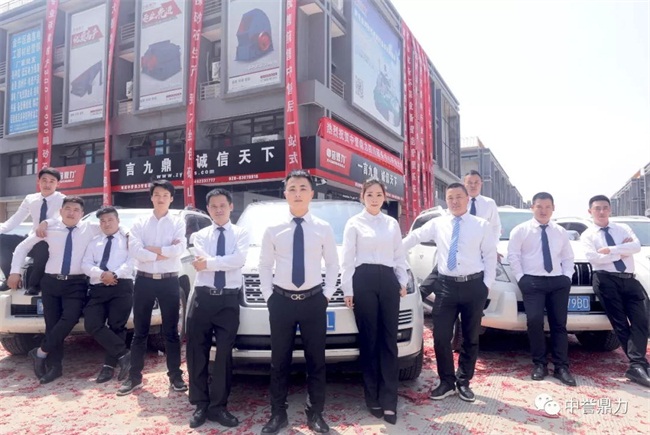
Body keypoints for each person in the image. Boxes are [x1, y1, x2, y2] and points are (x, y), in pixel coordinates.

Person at [259, 170, 339, 435]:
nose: (297, 193)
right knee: (279, 360)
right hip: (281, 301)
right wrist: (268, 296)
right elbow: (264, 265)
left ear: (311, 193)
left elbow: (333, 264)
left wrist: (327, 295)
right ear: (285, 194)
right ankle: (278, 414)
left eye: (303, 188)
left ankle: (315, 413)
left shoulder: (323, 228)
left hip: (313, 301)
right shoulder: (273, 229)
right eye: (292, 188)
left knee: (316, 360)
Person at [403, 183, 497, 402]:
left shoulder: (481, 225)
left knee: (470, 337)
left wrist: (486, 286)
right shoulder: (439, 223)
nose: (454, 201)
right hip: (446, 287)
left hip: (474, 286)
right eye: (450, 198)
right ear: (446, 200)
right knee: (441, 336)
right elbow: (414, 237)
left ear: (467, 199)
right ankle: (446, 381)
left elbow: (490, 257)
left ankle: (463, 381)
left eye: (458, 197)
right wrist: (392, 250)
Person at [7, 197, 97, 384]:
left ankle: (40, 352)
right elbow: (22, 247)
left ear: (82, 214)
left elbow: (118, 229)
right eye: (68, 209)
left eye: (76, 210)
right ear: (61, 211)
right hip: (50, 283)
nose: (71, 213)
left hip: (76, 283)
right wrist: (15, 272)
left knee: (70, 318)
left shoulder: (90, 228)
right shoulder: (49, 229)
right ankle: (55, 367)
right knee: (52, 324)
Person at [340, 178, 408, 424]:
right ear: (362, 197)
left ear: (384, 197)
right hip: (364, 280)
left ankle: (389, 400)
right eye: (370, 194)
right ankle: (372, 397)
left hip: (388, 280)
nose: (374, 199)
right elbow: (347, 259)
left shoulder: (391, 223)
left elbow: (399, 255)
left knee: (389, 340)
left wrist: (402, 280)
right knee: (369, 339)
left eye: (379, 194)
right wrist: (348, 289)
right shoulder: (354, 223)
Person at [186, 189, 249, 429]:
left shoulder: (241, 233)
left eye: (222, 205)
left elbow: (239, 259)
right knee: (197, 352)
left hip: (228, 302)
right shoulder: (200, 235)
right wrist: (221, 262)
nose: (218, 209)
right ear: (208, 209)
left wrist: (211, 263)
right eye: (213, 206)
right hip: (202, 299)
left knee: (223, 355)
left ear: (231, 206)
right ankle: (200, 404)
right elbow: (201, 261)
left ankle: (218, 406)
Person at [118, 180, 188, 396]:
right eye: (157, 194)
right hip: (144, 280)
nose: (160, 198)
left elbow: (179, 249)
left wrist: (151, 250)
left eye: (165, 195)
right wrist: (163, 252)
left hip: (169, 281)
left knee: (171, 332)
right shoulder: (140, 222)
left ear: (171, 199)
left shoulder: (178, 222)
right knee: (140, 332)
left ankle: (175, 376)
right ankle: (134, 377)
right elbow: (135, 250)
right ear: (151, 197)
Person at [507, 192, 577, 386]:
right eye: (539, 206)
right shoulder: (521, 230)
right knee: (535, 321)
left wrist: (567, 277)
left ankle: (561, 367)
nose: (543, 210)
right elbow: (513, 255)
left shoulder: (560, 232)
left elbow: (567, 257)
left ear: (553, 208)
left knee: (559, 325)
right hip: (532, 282)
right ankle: (540, 364)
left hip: (558, 282)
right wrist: (521, 278)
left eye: (547, 207)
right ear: (532, 208)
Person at [581, 195, 650, 388]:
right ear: (590, 211)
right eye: (597, 208)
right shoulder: (587, 235)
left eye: (605, 207)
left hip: (629, 278)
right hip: (605, 280)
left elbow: (635, 247)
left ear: (610, 209)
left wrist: (610, 250)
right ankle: (638, 365)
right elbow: (594, 258)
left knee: (642, 320)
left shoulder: (623, 228)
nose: (601, 211)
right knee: (620, 323)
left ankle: (638, 365)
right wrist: (622, 251)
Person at [81, 206, 133, 384]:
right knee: (92, 324)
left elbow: (132, 261)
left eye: (110, 220)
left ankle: (108, 366)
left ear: (118, 221)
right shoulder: (94, 242)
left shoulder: (128, 239)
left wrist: (114, 274)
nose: (106, 223)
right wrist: (102, 274)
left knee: (117, 326)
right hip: (98, 286)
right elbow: (86, 264)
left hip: (121, 285)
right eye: (102, 221)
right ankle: (124, 354)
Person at [0, 167, 65, 294]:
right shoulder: (30, 199)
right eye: (44, 180)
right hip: (31, 239)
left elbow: (62, 219)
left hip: (49, 241)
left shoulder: (63, 200)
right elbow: (15, 219)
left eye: (52, 181)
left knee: (42, 248)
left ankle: (34, 285)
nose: (47, 184)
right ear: (38, 181)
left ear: (58, 184)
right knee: (1, 240)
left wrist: (47, 222)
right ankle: (10, 278)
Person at [464, 170, 501, 244]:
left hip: (483, 245)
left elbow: (495, 226)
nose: (473, 185)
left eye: (476, 182)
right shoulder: (459, 203)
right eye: (470, 183)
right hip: (464, 245)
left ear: (481, 184)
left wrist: (493, 245)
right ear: (464, 184)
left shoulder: (489, 203)